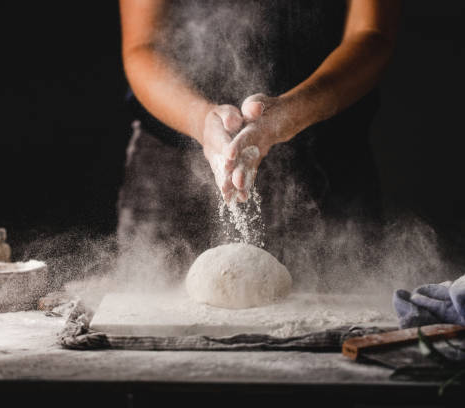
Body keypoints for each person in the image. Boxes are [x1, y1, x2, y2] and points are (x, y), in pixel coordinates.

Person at [117, 0, 401, 289]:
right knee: (157, 319)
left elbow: (371, 34)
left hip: (328, 168)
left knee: (346, 320)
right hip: (173, 171)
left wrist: (291, 112)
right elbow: (143, 46)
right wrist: (199, 119)